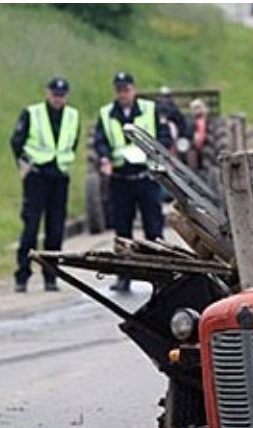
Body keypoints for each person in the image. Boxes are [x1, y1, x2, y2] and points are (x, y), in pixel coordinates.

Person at [93, 71, 173, 293]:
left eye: (126, 89)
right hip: (120, 179)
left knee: (154, 229)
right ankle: (124, 276)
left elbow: (165, 136)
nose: (123, 94)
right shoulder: (107, 114)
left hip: (145, 177)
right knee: (122, 231)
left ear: (134, 89)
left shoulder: (150, 110)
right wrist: (104, 158)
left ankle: (160, 277)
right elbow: (100, 141)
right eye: (119, 90)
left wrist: (157, 154)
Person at [10, 77, 80, 293]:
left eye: (62, 95)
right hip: (37, 176)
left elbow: (73, 142)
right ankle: (22, 275)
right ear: (47, 93)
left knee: (56, 228)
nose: (58, 98)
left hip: (59, 176)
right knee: (31, 227)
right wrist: (25, 167)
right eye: (54, 94)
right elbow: (16, 141)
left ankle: (51, 276)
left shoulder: (72, 115)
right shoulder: (32, 113)